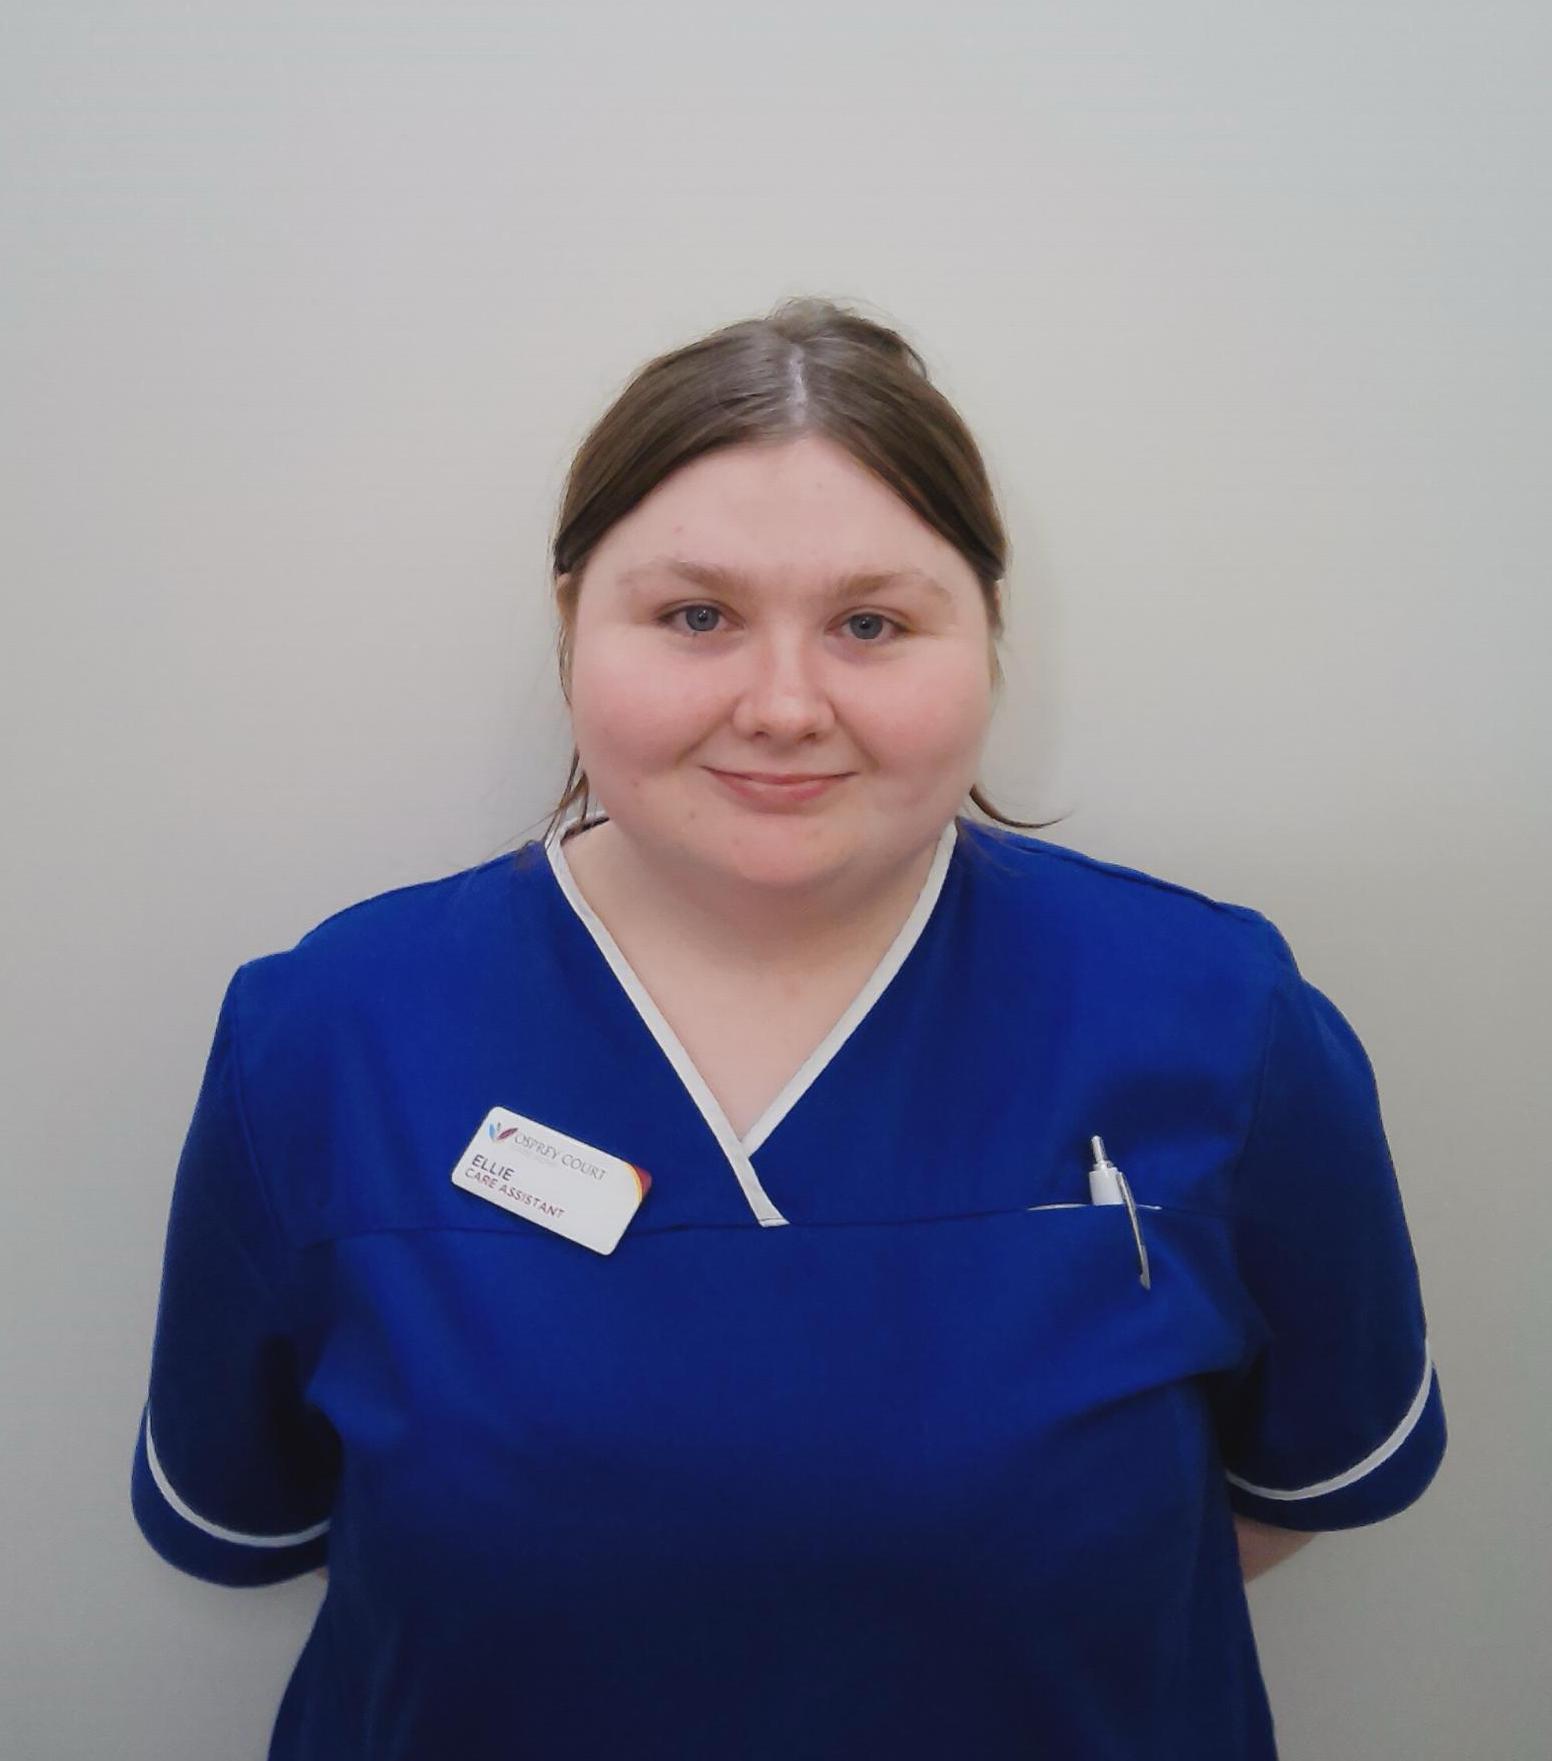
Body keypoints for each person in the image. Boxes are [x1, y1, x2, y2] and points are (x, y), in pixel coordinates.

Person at [130, 297, 1447, 1760]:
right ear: (571, 624)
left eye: (871, 624)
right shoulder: (327, 1037)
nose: (782, 704)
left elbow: (1288, 1493)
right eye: (695, 617)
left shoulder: (1219, 1017)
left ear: (988, 635)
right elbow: (264, 1519)